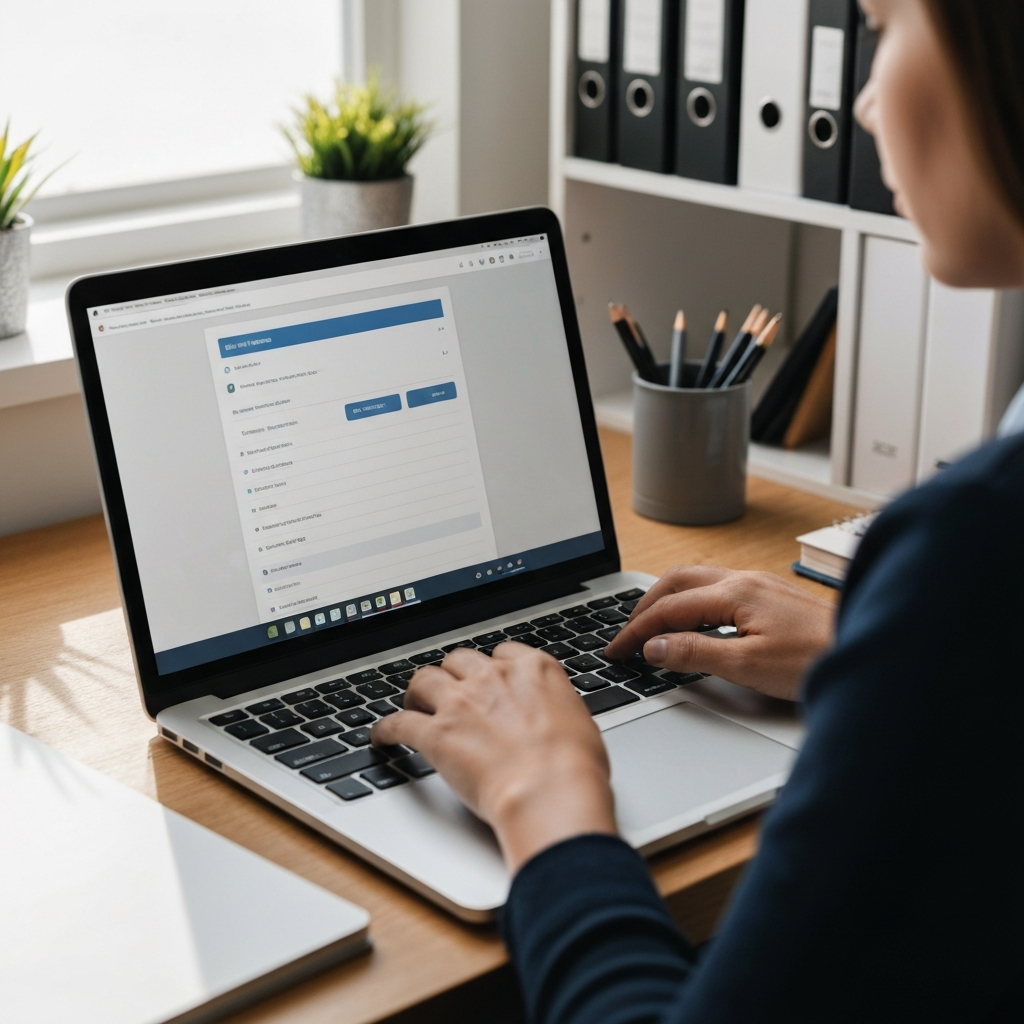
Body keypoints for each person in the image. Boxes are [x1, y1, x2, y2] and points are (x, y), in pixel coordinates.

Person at [373, 0, 1024, 1018]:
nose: (860, 103)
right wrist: (877, 651)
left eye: (882, 26)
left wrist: (543, 795)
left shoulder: (975, 543)